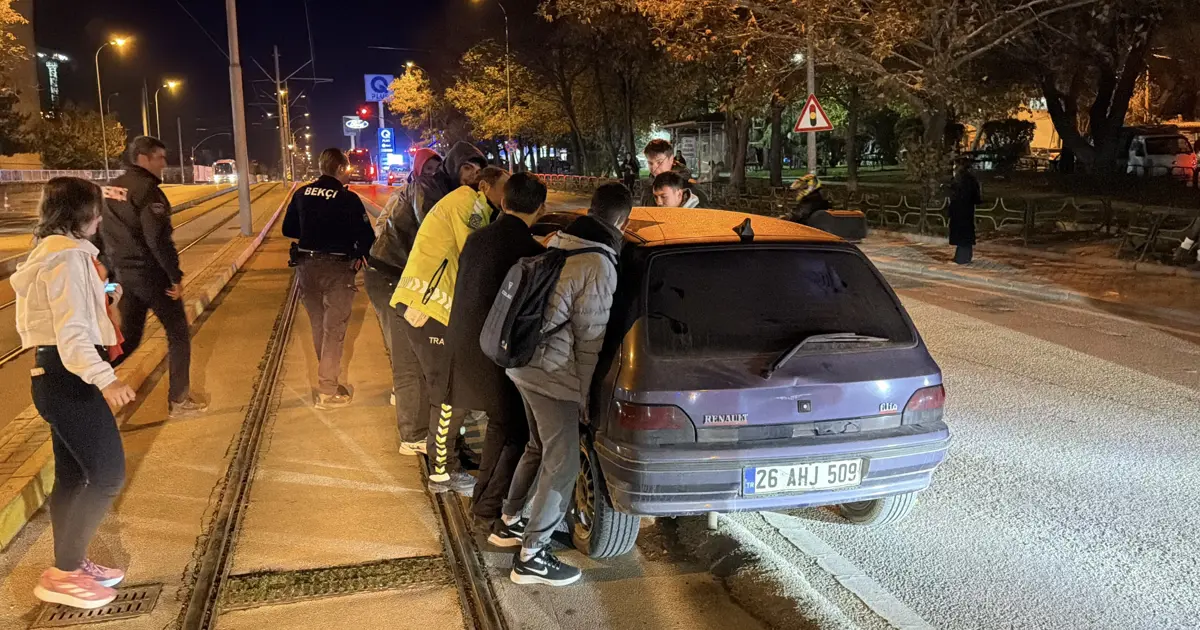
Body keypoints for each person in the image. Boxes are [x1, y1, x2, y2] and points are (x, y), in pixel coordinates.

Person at [13, 178, 137, 609]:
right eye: (95, 211)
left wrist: (104, 294)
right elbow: (72, 333)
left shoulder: (54, 253)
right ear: (78, 215)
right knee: (108, 476)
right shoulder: (66, 259)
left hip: (52, 376)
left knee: (73, 476)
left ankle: (70, 562)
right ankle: (64, 574)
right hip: (69, 377)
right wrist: (108, 379)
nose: (100, 218)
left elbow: (67, 314)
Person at [503, 183, 630, 587]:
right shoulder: (599, 264)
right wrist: (585, 398)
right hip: (552, 376)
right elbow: (590, 341)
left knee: (539, 447)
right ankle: (532, 557)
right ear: (622, 221)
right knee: (564, 464)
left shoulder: (561, 240)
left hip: (525, 363)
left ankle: (510, 519)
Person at [392, 165, 510, 493]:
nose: (506, 196)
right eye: (504, 188)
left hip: (427, 305)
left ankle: (449, 453)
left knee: (448, 388)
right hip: (429, 308)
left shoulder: (468, 202)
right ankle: (442, 471)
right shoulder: (469, 204)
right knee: (449, 392)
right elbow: (474, 251)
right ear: (485, 186)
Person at [442, 173, 548, 536]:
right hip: (496, 355)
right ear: (541, 208)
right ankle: (487, 513)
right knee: (514, 432)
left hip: (462, 345)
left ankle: (481, 504)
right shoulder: (533, 254)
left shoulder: (476, 239)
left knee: (500, 428)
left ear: (503, 202)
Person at [101, 136, 207, 419]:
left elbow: (102, 235)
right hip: (152, 276)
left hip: (124, 277)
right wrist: (175, 276)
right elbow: (158, 239)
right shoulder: (149, 191)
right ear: (143, 158)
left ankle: (91, 380)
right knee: (178, 334)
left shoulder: (111, 188)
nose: (164, 163)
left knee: (130, 339)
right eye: (160, 157)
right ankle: (179, 401)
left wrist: (109, 274)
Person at [282, 148, 376, 409]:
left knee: (318, 324)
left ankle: (328, 381)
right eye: (346, 170)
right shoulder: (348, 199)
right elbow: (367, 237)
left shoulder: (302, 194)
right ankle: (327, 390)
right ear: (339, 170)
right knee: (334, 330)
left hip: (306, 266)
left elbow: (288, 229)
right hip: (337, 268)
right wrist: (358, 253)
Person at [365, 148, 441, 452]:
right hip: (390, 279)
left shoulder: (409, 191)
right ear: (421, 170)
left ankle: (411, 411)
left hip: (396, 277)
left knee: (409, 354)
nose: (435, 173)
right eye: (431, 168)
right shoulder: (418, 193)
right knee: (407, 358)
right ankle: (413, 435)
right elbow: (425, 234)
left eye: (440, 168)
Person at [641, 139, 708, 208]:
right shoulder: (649, 188)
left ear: (671, 159)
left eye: (659, 162)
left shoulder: (691, 189)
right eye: (650, 163)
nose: (654, 168)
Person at [947, 156, 981, 265]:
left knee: (962, 234)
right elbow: (977, 197)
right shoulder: (971, 178)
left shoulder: (960, 179)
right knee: (966, 234)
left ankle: (961, 258)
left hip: (960, 210)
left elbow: (955, 194)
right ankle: (964, 257)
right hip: (967, 210)